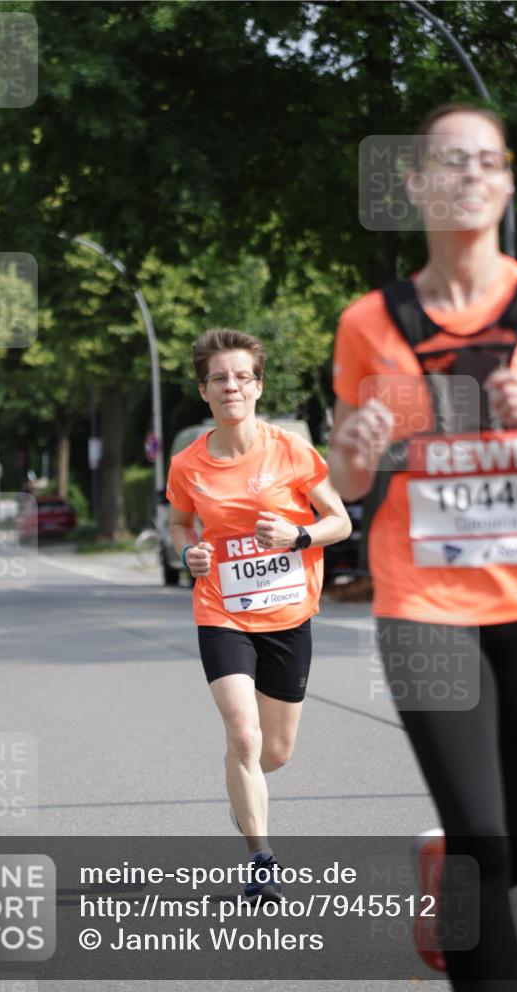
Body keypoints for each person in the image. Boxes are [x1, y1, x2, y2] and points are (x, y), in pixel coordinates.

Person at [329, 103, 517, 992]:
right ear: (414, 183)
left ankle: (444, 871)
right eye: (446, 162)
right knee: (482, 850)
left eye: (484, 161)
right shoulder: (369, 324)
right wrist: (348, 459)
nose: (467, 175)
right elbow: (348, 485)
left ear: (504, 183)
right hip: (423, 608)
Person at [167, 328, 351, 901]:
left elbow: (340, 522)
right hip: (223, 610)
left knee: (275, 752)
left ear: (257, 386)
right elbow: (178, 524)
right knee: (244, 737)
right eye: (219, 378)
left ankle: (243, 797)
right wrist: (186, 553)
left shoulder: (291, 449)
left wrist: (299, 534)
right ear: (204, 391)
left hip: (289, 615)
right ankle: (261, 857)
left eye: (241, 376)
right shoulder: (187, 465)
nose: (231, 386)